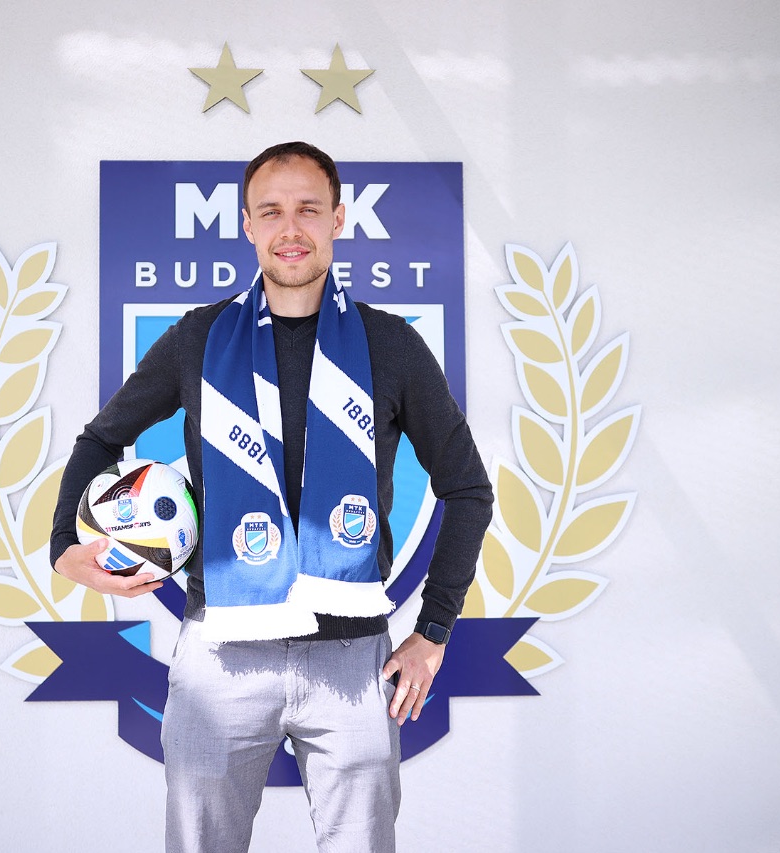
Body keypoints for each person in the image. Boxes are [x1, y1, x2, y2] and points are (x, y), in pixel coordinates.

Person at [50, 141, 493, 853]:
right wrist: (63, 549)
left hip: (352, 660)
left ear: (338, 219)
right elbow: (102, 439)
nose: (291, 228)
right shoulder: (199, 339)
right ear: (247, 224)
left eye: (309, 210)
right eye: (271, 211)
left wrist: (434, 631)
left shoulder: (391, 345)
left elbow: (468, 489)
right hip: (220, 655)